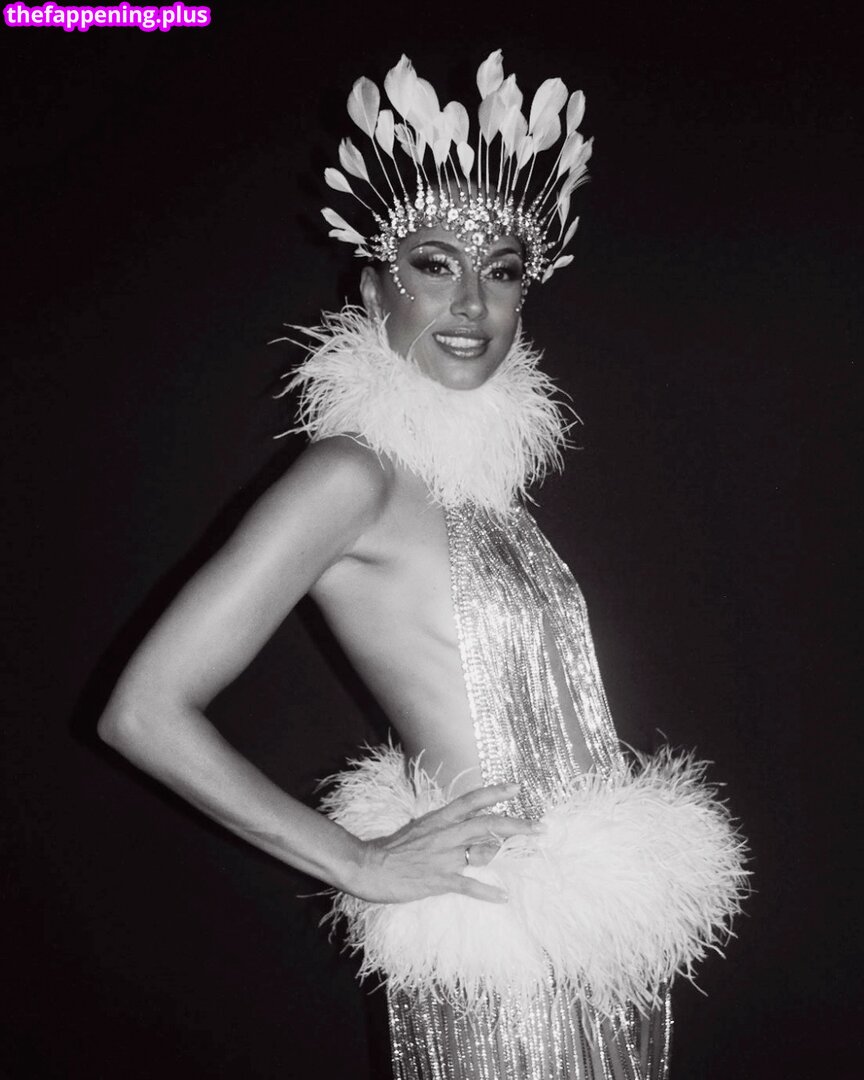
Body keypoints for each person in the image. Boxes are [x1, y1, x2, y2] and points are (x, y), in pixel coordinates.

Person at [98, 50, 747, 1080]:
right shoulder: (349, 476)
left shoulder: (483, 496)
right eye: (436, 264)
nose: (472, 304)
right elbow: (143, 712)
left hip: (588, 942)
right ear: (375, 288)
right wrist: (358, 862)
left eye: (503, 273)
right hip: (498, 950)